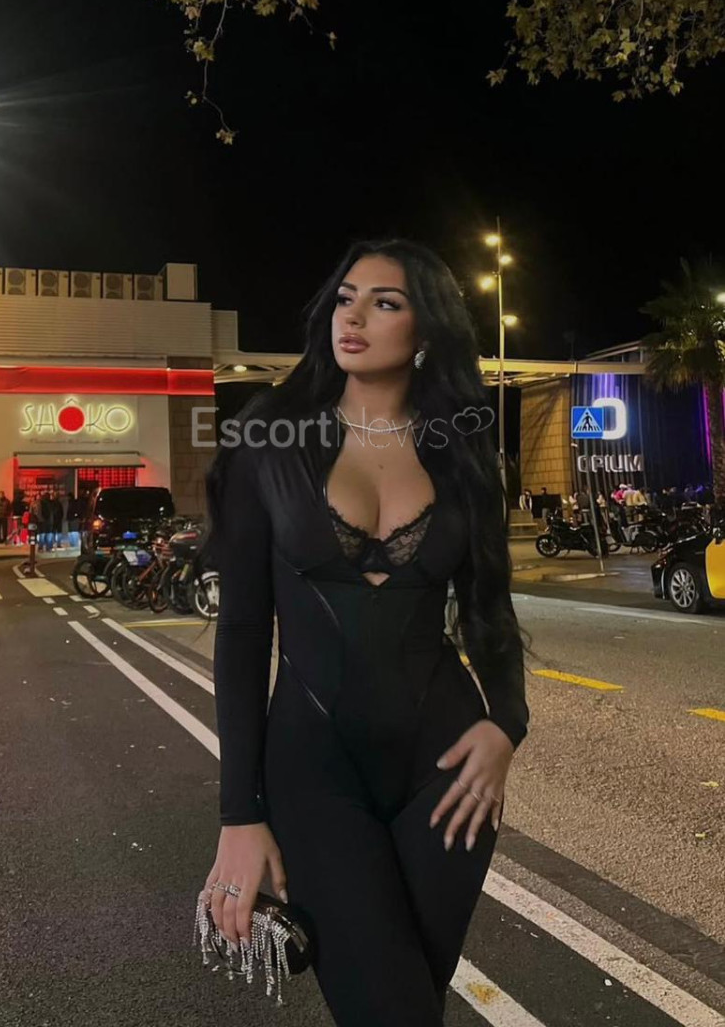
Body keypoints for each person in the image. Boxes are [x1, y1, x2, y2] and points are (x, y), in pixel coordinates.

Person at [198, 240, 531, 1026]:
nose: (353, 316)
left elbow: (487, 606)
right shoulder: (268, 438)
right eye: (346, 298)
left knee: (411, 1003)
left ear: (425, 331)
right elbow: (241, 631)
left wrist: (507, 724)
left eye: (385, 303)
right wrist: (239, 814)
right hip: (313, 773)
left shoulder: (461, 450)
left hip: (446, 772)